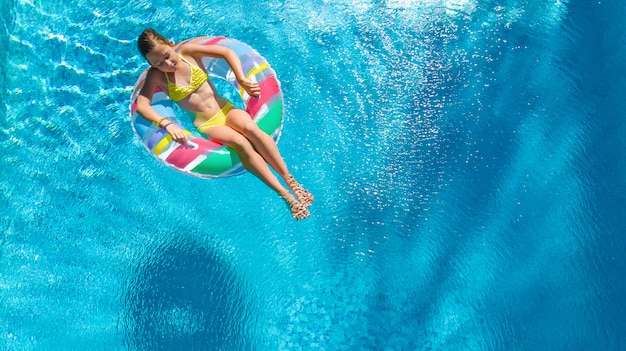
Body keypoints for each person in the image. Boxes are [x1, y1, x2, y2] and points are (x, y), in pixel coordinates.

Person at [135, 29, 313, 220]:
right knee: (241, 142)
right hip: (208, 123)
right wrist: (167, 124)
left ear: (171, 45)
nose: (167, 64)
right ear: (150, 64)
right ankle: (285, 195)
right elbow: (142, 105)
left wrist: (241, 79)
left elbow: (226, 52)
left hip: (226, 109)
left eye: (167, 57)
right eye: (158, 63)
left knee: (251, 128)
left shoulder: (187, 53)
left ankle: (289, 179)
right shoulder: (156, 76)